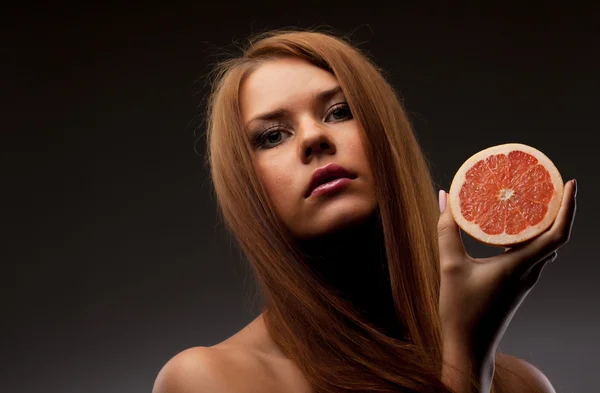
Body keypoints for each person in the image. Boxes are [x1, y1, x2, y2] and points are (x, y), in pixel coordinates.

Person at [152, 29, 577, 393]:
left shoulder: (523, 386)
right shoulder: (212, 381)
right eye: (272, 135)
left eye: (340, 111)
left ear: (387, 136)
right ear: (246, 185)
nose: (314, 137)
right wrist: (467, 359)